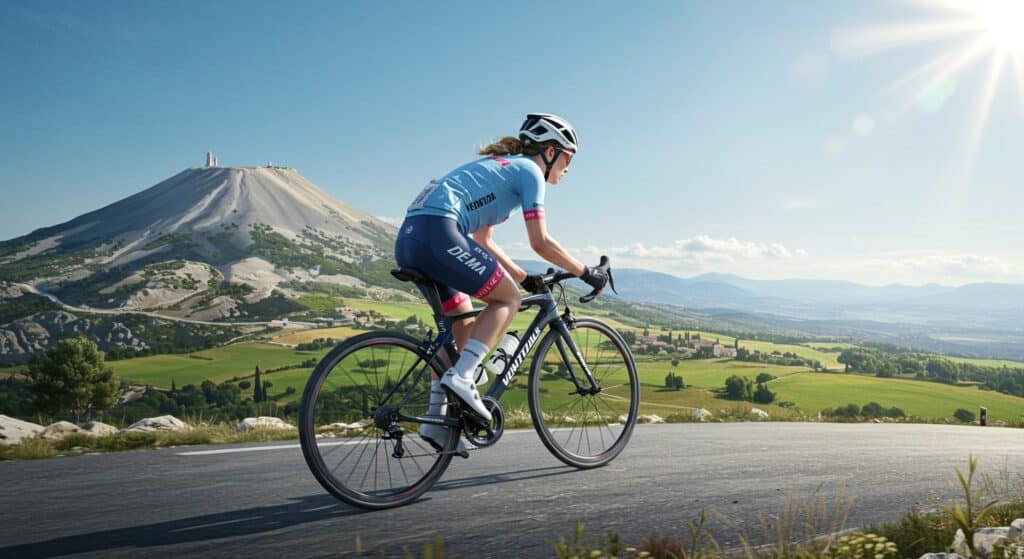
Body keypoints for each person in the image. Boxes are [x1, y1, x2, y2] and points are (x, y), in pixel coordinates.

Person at [394, 113, 608, 449]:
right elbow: (540, 242)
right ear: (550, 152)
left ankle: (437, 422)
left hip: (412, 238)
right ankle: (463, 379)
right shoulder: (529, 171)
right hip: (438, 233)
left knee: (461, 329)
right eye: (568, 157)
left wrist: (523, 277)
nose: (568, 167)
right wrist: (585, 271)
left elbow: (483, 241)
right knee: (508, 301)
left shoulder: (501, 167)